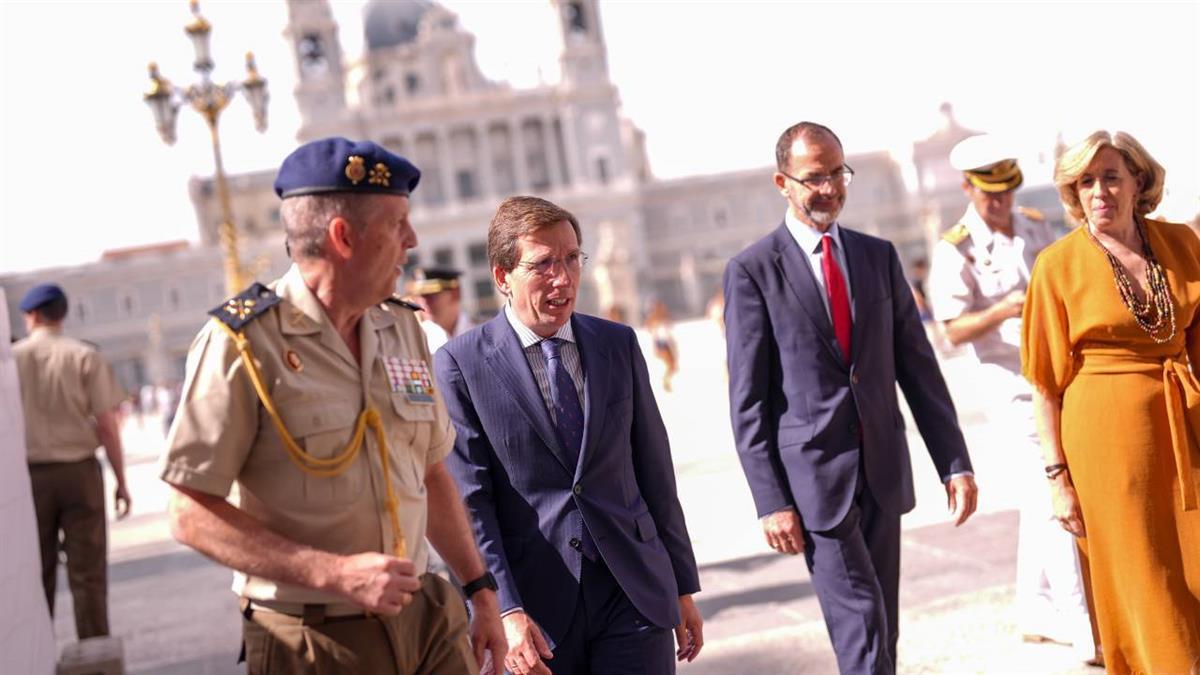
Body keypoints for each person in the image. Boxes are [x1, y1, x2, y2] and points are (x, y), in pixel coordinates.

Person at [160, 138, 505, 674]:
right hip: (315, 639)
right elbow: (189, 512)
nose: (412, 240)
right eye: (397, 224)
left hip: (428, 619)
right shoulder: (243, 344)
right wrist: (332, 573)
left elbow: (431, 471)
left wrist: (480, 589)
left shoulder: (403, 327)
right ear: (343, 237)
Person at [723, 122, 977, 674]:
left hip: (883, 469)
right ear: (783, 183)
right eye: (814, 177)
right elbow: (748, 401)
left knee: (883, 625)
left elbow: (919, 370)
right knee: (862, 625)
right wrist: (771, 500)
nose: (830, 188)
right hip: (815, 482)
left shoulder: (876, 257)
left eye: (838, 174)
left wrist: (954, 462)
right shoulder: (752, 272)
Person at [434, 196, 703, 675]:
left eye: (572, 258)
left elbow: (655, 472)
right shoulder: (461, 365)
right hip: (537, 613)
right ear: (502, 276)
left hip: (633, 594)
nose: (563, 278)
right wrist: (504, 608)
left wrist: (681, 585)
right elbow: (471, 503)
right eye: (543, 265)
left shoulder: (616, 344)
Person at [1021, 130, 1200, 672]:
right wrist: (1058, 480)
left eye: (1111, 177)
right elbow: (1044, 386)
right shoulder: (1056, 265)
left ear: (1138, 181)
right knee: (1142, 572)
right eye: (1085, 182)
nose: (1099, 191)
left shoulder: (1182, 244)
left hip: (1185, 426)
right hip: (1107, 448)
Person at [927, 136, 1096, 661]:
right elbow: (953, 329)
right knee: (1051, 491)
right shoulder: (955, 248)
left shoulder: (1035, 225)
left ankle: (1034, 608)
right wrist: (1004, 307)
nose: (999, 202)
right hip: (1008, 382)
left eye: (1006, 191)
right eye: (989, 193)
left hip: (1055, 372)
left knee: (1036, 497)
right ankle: (1081, 621)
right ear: (968, 188)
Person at [13, 283, 131, 640]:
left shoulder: (11, 360)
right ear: (62, 314)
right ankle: (95, 651)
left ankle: (36, 651)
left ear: (32, 315)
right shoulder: (84, 356)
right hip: (80, 473)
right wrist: (121, 481)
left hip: (30, 479)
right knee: (88, 571)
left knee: (36, 572)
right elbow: (107, 425)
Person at [408, 266, 474, 353]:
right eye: (420, 296)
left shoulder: (484, 332)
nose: (425, 302)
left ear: (455, 294)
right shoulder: (416, 339)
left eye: (431, 295)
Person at [645, 300, 679, 392]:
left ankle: (666, 380)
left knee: (673, 366)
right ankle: (665, 381)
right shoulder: (654, 318)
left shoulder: (664, 316)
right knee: (671, 365)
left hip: (666, 342)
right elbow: (650, 329)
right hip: (661, 343)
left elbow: (669, 327)